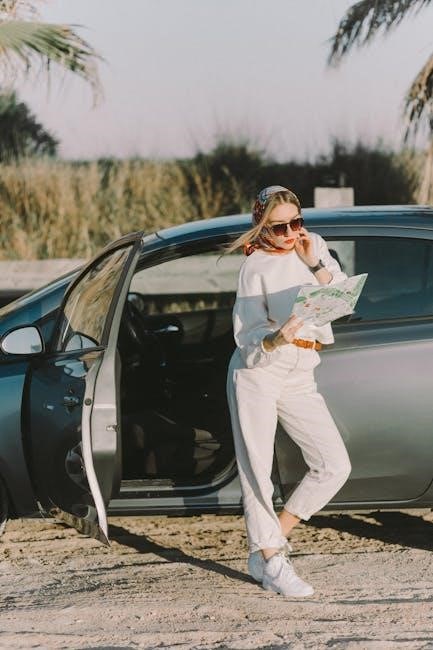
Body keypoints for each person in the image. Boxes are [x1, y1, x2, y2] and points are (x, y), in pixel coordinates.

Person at [225, 185, 352, 598]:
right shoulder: (255, 266)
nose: (289, 233)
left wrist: (314, 262)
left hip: (303, 369)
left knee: (333, 465)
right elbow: (247, 336)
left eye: (296, 222)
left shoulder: (314, 246)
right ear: (262, 226)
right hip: (260, 369)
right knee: (257, 470)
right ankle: (273, 562)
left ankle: (270, 542)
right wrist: (275, 338)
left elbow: (342, 298)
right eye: (278, 227)